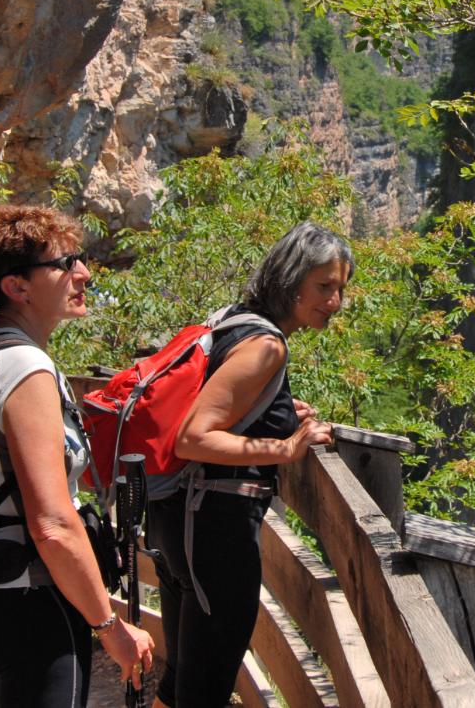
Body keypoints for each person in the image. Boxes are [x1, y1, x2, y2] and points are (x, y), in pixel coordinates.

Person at [0, 203, 155, 707]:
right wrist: (110, 626)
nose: (82, 272)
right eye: (65, 263)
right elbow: (53, 525)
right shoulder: (24, 369)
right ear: (17, 286)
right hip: (30, 604)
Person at [147, 221, 347, 708]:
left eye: (341, 289)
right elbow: (194, 437)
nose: (335, 302)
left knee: (182, 681)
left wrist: (277, 416)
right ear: (290, 278)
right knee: (205, 687)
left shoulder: (232, 320)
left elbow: (223, 406)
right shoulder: (267, 344)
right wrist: (285, 447)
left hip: (178, 520)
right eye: (324, 287)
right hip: (213, 530)